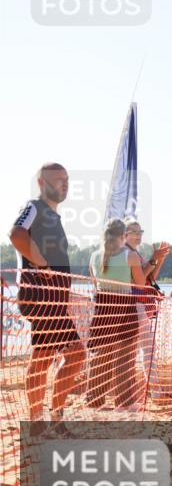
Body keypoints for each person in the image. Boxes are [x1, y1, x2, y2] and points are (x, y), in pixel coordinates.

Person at [8, 163, 87, 425]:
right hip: (39, 296)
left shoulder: (54, 216)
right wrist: (41, 264)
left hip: (54, 299)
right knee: (51, 355)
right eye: (57, 180)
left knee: (68, 354)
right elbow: (16, 233)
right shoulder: (35, 207)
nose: (63, 184)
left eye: (66, 180)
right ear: (42, 183)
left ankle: (51, 419)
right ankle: (39, 423)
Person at [87, 218, 147, 410]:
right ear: (123, 236)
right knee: (125, 357)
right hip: (124, 307)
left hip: (103, 307)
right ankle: (124, 402)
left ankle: (94, 400)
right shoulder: (130, 256)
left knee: (101, 357)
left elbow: (94, 283)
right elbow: (141, 285)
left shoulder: (94, 256)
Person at [124, 219, 170, 377]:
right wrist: (153, 259)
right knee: (147, 347)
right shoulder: (127, 253)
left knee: (145, 347)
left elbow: (151, 278)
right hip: (135, 304)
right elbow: (141, 282)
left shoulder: (136, 253)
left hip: (142, 305)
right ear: (125, 234)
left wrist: (159, 260)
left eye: (140, 232)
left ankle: (152, 388)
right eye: (134, 232)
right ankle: (155, 389)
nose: (139, 235)